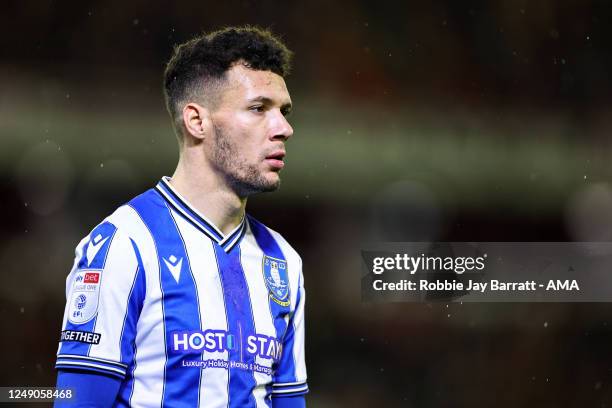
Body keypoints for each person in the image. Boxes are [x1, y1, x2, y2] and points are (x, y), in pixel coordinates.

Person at [54, 26, 307, 408]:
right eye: (258, 109)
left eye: (283, 112)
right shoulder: (125, 245)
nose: (284, 129)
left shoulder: (283, 262)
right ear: (196, 121)